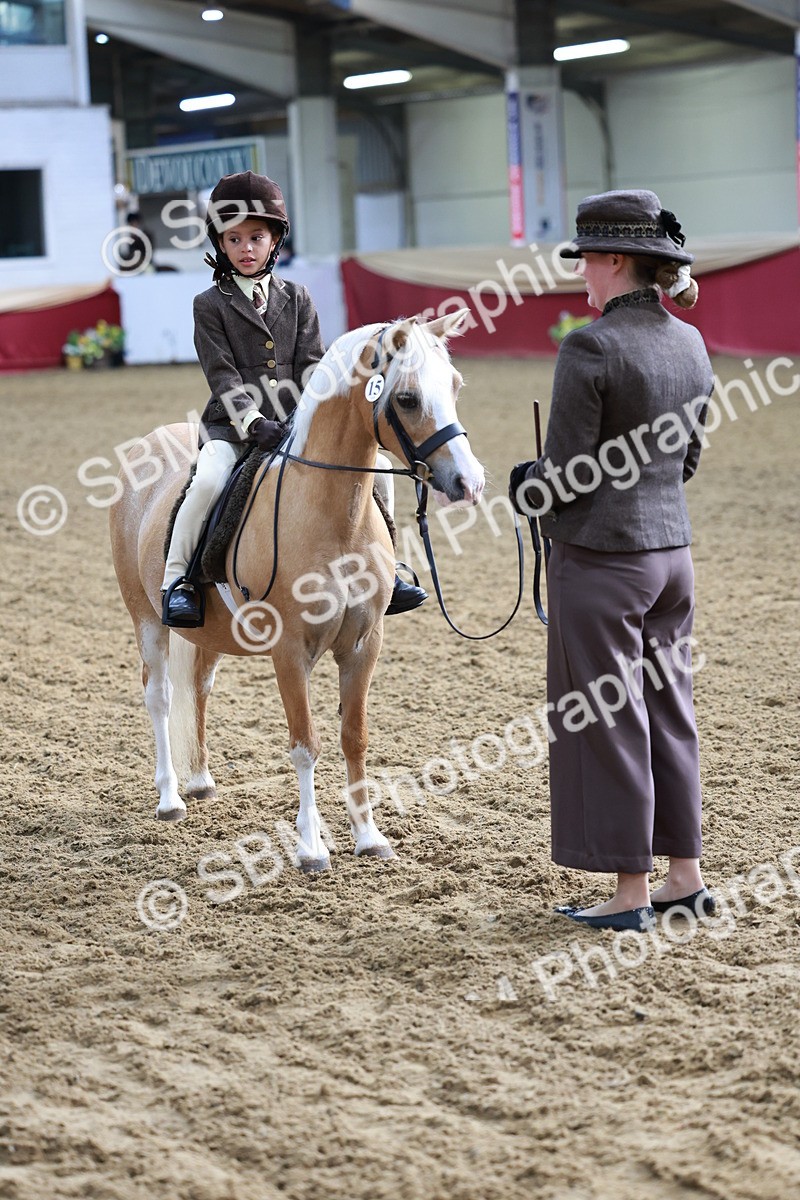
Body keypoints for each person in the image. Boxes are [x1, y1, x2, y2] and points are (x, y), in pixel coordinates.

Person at [509, 189, 715, 933]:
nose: (580, 273)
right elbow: (687, 460)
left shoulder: (589, 347)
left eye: (587, 260)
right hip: (672, 557)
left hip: (603, 563)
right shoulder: (691, 343)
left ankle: (631, 892)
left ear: (617, 261)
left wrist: (525, 485)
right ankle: (684, 878)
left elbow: (566, 477)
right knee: (669, 712)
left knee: (610, 719)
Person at [162, 170, 427, 627]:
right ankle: (179, 580)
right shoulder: (209, 304)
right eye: (234, 239)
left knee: (379, 471)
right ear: (220, 243)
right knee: (207, 481)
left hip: (297, 425)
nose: (246, 248)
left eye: (256, 238)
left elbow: (313, 367)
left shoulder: (298, 297)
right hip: (234, 429)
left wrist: (314, 417)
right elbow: (222, 375)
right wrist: (252, 422)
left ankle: (387, 566)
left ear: (274, 241)